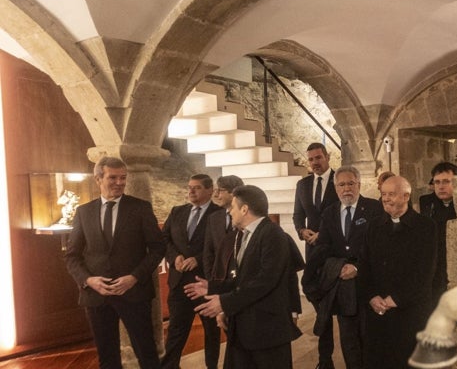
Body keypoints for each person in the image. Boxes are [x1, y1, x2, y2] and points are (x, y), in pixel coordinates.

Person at [65, 156, 166, 369]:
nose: (119, 183)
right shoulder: (83, 212)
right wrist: (88, 280)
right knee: (107, 357)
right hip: (96, 296)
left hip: (134, 293)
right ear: (98, 179)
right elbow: (72, 256)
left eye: (123, 178)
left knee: (147, 354)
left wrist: (134, 277)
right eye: (113, 178)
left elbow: (158, 248)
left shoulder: (140, 208)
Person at [190, 185, 302, 369]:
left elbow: (265, 281)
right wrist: (213, 287)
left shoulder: (272, 235)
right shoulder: (245, 236)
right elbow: (245, 279)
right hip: (245, 328)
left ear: (244, 209)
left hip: (266, 332)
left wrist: (225, 302)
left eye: (232, 207)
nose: (230, 212)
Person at [304, 166, 385, 369]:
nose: (346, 188)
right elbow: (323, 246)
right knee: (349, 342)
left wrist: (357, 268)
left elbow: (380, 248)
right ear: (335, 187)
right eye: (341, 184)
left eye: (350, 183)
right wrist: (310, 275)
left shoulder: (374, 208)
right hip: (342, 289)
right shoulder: (329, 212)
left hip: (368, 287)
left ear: (359, 184)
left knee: (370, 341)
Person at [365, 175, 436, 369]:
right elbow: (365, 266)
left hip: (410, 313)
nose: (385, 199)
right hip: (378, 313)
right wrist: (372, 296)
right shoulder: (374, 226)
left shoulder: (425, 227)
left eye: (391, 194)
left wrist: (395, 299)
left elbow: (425, 273)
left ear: (405, 196)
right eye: (383, 194)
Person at [161, 174, 222, 369]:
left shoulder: (220, 214)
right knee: (176, 332)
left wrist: (197, 259)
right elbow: (164, 239)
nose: (191, 191)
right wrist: (175, 257)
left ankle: (211, 366)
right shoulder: (177, 211)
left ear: (210, 190)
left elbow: (221, 246)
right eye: (189, 187)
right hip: (179, 283)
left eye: (196, 188)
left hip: (205, 282)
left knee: (211, 332)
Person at [417, 161, 457, 308]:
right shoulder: (426, 202)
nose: (441, 186)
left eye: (447, 182)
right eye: (437, 182)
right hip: (434, 265)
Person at [294, 142, 339, 257]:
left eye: (318, 157)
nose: (315, 162)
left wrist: (323, 234)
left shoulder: (340, 180)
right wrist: (302, 231)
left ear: (327, 157)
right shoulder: (302, 185)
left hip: (335, 246)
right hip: (312, 249)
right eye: (311, 159)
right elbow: (298, 214)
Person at [202, 175, 244, 283]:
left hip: (242, 281)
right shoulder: (213, 218)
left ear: (233, 192)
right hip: (218, 281)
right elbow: (208, 252)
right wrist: (212, 280)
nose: (215, 195)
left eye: (220, 191)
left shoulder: (247, 217)